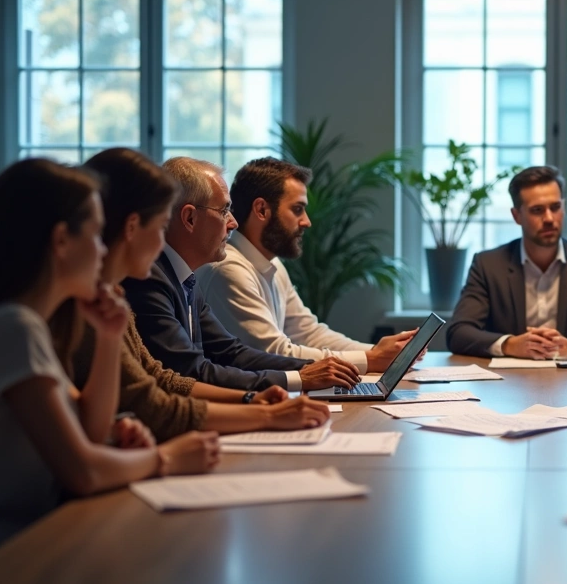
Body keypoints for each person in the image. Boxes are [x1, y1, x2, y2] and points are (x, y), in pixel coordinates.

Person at [0, 159, 218, 583]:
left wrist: (107, 337)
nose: (103, 249)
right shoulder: (11, 327)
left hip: (15, 541)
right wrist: (165, 457)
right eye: (96, 235)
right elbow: (83, 472)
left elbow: (89, 425)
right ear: (62, 241)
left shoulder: (28, 325)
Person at [75, 149, 332, 442]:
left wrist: (251, 401)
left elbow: (164, 379)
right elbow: (153, 397)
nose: (232, 223)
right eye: (161, 225)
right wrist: (264, 412)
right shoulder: (133, 289)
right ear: (132, 228)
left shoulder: (119, 298)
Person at [121, 157, 360, 393]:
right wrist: (297, 378)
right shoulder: (150, 280)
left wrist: (314, 368)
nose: (233, 222)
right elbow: (191, 371)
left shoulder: (184, 278)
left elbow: (231, 352)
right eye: (224, 210)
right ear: (190, 218)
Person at [196, 157, 416, 373]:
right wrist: (370, 359)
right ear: (261, 210)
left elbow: (308, 332)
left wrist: (378, 353)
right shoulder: (229, 270)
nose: (307, 221)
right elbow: (274, 353)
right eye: (297, 209)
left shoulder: (271, 263)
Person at [446, 165, 567, 358]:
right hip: (508, 381)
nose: (549, 218)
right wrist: (510, 344)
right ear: (517, 216)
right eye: (537, 210)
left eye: (555, 207)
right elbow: (459, 332)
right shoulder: (488, 265)